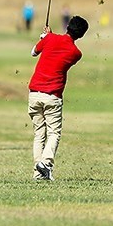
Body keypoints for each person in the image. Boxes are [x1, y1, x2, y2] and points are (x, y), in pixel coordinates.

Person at [27, 15, 89, 181]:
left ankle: (38, 175)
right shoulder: (76, 53)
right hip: (52, 96)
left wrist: (45, 38)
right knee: (54, 133)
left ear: (67, 26)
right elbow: (60, 52)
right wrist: (49, 38)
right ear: (81, 35)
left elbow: (34, 52)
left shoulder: (50, 39)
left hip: (34, 93)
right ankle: (46, 164)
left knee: (39, 134)